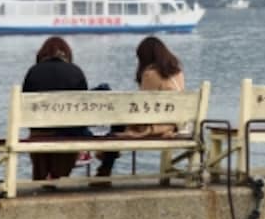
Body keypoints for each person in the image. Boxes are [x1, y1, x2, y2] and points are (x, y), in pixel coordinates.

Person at [22, 36, 117, 180]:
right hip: (68, 134)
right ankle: (56, 177)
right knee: (71, 133)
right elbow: (83, 113)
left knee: (42, 138)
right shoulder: (75, 71)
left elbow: (25, 109)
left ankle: (42, 181)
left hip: (39, 133)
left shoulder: (33, 71)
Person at [117, 36, 185, 138]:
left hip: (158, 126)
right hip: (177, 124)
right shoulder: (178, 73)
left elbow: (143, 105)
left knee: (116, 123)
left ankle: (106, 153)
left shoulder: (150, 74)